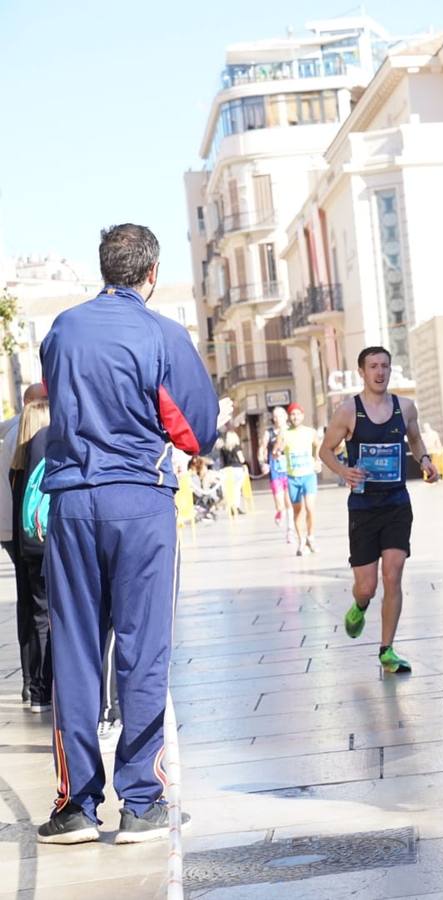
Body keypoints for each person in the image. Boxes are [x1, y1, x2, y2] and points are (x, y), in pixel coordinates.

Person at [37, 223, 222, 844]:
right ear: (150, 274)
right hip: (139, 502)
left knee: (75, 652)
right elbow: (196, 429)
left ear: (103, 269)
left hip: (72, 502)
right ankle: (141, 801)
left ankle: (75, 806)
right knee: (144, 652)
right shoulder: (163, 334)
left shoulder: (62, 329)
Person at [320, 346, 440, 675]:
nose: (380, 372)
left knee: (393, 575)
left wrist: (426, 461)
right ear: (362, 372)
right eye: (373, 366)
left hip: (397, 503)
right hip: (363, 506)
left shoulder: (405, 407)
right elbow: (325, 450)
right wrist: (344, 471)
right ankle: (359, 606)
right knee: (367, 586)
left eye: (385, 366)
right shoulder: (348, 411)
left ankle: (387, 650)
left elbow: (415, 441)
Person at [2, 382, 47, 706]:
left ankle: (32, 684)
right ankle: (42, 682)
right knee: (44, 610)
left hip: (14, 533)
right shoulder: (43, 434)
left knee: (28, 608)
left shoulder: (10, 436)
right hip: (37, 535)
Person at [10, 398, 51, 713]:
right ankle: (48, 685)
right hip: (46, 541)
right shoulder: (47, 449)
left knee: (34, 616)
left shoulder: (17, 464)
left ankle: (34, 689)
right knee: (53, 617)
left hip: (25, 545)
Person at [282, 403, 322, 555]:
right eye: (292, 414)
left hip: (308, 475)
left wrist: (317, 460)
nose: (295, 417)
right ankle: (301, 541)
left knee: (310, 508)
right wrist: (277, 451)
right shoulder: (285, 434)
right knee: (298, 511)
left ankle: (311, 537)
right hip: (293, 477)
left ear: (302, 416)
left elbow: (318, 445)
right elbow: (276, 450)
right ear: (289, 417)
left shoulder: (310, 432)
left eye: (298, 414)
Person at [260, 406, 293, 541]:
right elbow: (262, 448)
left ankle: (290, 531)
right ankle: (279, 512)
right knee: (280, 505)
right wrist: (263, 463)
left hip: (290, 471)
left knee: (289, 502)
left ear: (285, 416)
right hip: (275, 471)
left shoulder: (291, 431)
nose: (276, 419)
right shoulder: (269, 433)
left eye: (279, 415)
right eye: (274, 416)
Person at [220, 429, 248, 515]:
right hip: (237, 469)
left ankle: (230, 506)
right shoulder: (237, 447)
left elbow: (222, 461)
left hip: (226, 470)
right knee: (237, 489)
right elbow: (241, 459)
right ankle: (236, 506)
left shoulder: (223, 448)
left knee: (228, 489)